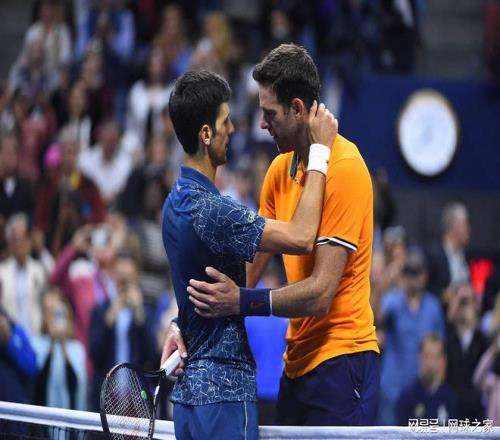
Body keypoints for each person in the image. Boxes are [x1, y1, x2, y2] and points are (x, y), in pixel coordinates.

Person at [167, 43, 380, 427]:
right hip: (295, 367)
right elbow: (244, 275)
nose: (261, 125)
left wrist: (241, 301)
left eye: (270, 114)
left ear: (297, 109)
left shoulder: (346, 168)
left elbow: (320, 294)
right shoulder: (279, 171)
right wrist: (182, 324)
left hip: (343, 360)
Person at [397, 333, 457, 426]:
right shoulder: (407, 398)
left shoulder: (450, 398)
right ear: (419, 357)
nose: (431, 363)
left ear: (443, 360)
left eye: (435, 357)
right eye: (427, 356)